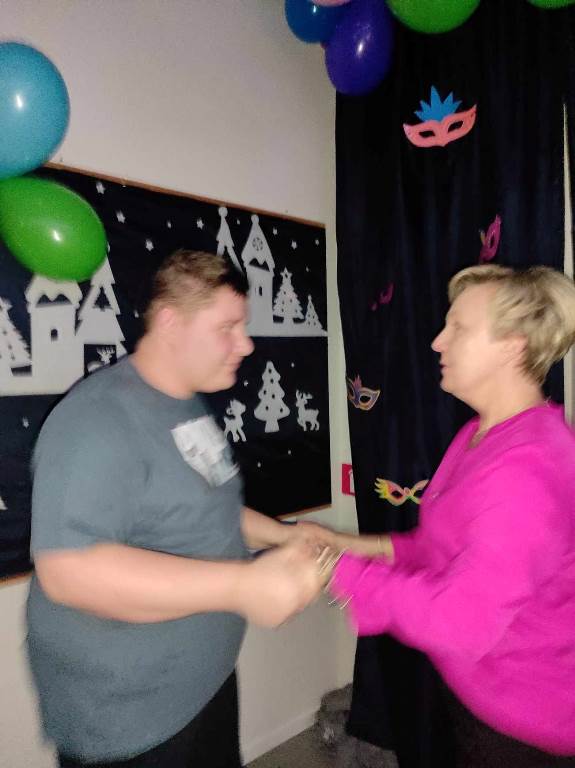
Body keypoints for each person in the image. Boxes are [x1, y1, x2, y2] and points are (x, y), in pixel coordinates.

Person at [27, 249, 340, 768]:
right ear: (171, 323)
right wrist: (243, 586)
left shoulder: (185, 405)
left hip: (200, 685)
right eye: (228, 327)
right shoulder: (95, 419)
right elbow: (68, 572)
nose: (246, 343)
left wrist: (285, 536)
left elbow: (207, 512)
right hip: (129, 720)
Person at [330, 264, 575, 766]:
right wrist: (343, 547)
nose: (437, 341)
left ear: (511, 346)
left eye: (458, 328)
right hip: (479, 695)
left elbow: (461, 620)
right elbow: (438, 547)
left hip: (524, 727)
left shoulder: (528, 468)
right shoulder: (479, 434)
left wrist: (338, 572)